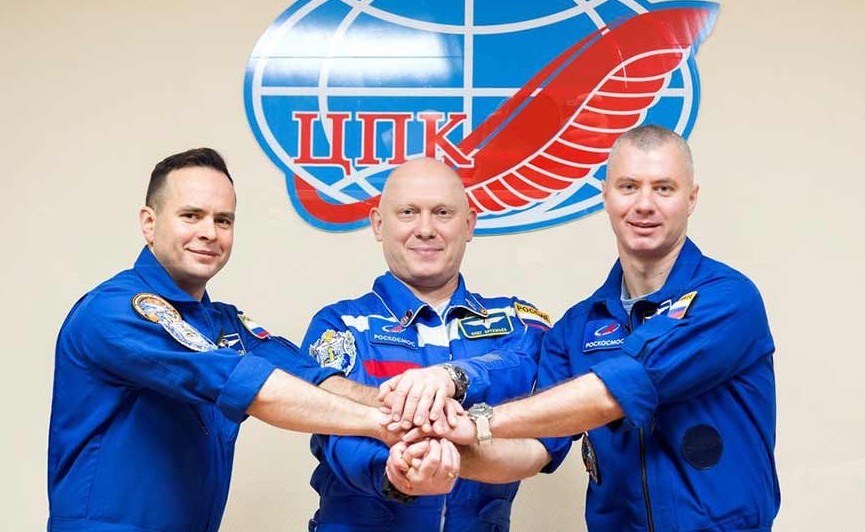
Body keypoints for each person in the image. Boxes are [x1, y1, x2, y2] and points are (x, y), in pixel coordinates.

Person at [389, 125, 780, 532]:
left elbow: (615, 390)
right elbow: (534, 447)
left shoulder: (727, 300)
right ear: (605, 195)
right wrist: (440, 456)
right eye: (628, 187)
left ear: (691, 198)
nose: (644, 205)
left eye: (663, 188)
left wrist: (478, 421)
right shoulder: (577, 328)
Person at [47, 148, 395, 532]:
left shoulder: (223, 324)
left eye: (223, 220)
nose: (209, 233)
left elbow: (311, 378)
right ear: (149, 222)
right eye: (191, 215)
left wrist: (398, 405)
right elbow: (253, 388)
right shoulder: (115, 312)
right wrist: (381, 424)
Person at [301, 158, 552, 531]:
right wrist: (393, 472)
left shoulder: (517, 322)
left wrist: (456, 376)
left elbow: (531, 381)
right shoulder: (341, 326)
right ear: (378, 224)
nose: (425, 229)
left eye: (442, 212)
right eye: (408, 212)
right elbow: (335, 429)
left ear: (469, 225)